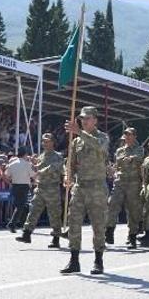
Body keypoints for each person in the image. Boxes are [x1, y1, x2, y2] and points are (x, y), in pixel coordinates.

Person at [61, 106, 110, 275]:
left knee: (98, 224)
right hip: (80, 186)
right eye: (82, 118)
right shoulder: (76, 141)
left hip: (97, 187)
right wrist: (67, 175)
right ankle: (74, 260)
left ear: (95, 120)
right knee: (73, 222)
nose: (83, 121)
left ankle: (98, 261)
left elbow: (99, 147)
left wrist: (79, 132)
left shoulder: (103, 137)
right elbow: (71, 163)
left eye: (87, 118)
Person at [15, 133, 64, 248]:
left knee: (54, 214)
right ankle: (26, 234)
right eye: (43, 141)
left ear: (52, 142)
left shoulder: (58, 156)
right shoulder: (42, 156)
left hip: (52, 188)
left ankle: (56, 238)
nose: (45, 144)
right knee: (33, 210)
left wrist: (41, 171)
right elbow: (37, 169)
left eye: (47, 141)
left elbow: (54, 167)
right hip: (41, 187)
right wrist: (34, 166)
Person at [106, 127, 145, 249]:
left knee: (132, 210)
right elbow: (117, 165)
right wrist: (112, 170)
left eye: (129, 135)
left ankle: (132, 236)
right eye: (126, 135)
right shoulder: (119, 151)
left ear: (134, 136)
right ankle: (109, 231)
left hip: (133, 183)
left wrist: (131, 158)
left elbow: (139, 158)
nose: (127, 137)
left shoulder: (139, 149)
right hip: (120, 182)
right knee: (112, 204)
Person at [4, 146, 34, 233]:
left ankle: (20, 223)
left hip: (15, 186)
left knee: (21, 206)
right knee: (21, 206)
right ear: (24, 154)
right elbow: (32, 174)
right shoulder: (27, 164)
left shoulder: (12, 164)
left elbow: (7, 175)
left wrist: (11, 181)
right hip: (24, 186)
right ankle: (12, 224)